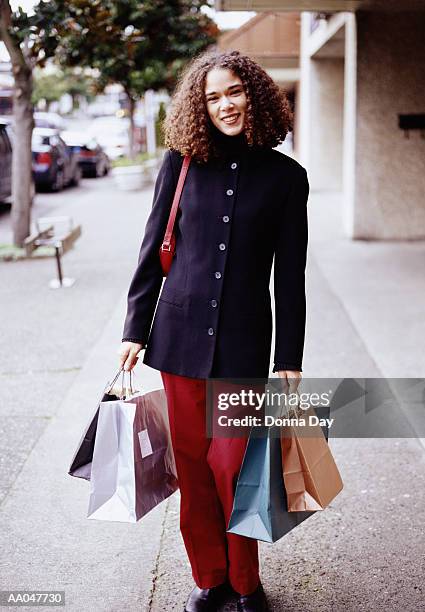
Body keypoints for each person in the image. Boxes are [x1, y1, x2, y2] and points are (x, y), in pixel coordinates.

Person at [118, 50, 309, 612]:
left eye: (234, 92)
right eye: (213, 97)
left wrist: (289, 359)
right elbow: (154, 249)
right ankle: (211, 579)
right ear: (199, 107)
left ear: (255, 95)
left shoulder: (286, 178)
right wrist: (135, 326)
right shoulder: (179, 163)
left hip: (244, 346)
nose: (225, 105)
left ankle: (247, 583)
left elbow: (289, 277)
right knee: (195, 471)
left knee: (234, 467)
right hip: (177, 342)